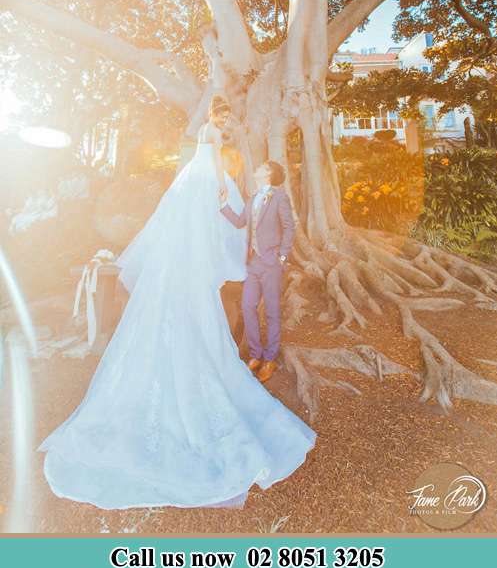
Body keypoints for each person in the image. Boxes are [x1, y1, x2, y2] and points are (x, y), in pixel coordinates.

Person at [37, 97, 316, 510]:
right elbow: (217, 171)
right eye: (221, 116)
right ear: (214, 117)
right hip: (204, 197)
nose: (224, 121)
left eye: (225, 117)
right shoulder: (209, 145)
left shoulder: (196, 168)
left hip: (196, 215)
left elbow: (211, 186)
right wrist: (223, 184)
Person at [220, 161, 293, 384]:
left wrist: (281, 256)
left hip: (271, 263)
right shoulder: (252, 197)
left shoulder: (280, 197)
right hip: (252, 264)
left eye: (261, 167)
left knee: (271, 312)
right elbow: (240, 222)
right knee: (247, 306)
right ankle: (255, 354)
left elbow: (289, 226)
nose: (257, 168)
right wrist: (222, 205)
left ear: (269, 173)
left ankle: (270, 359)